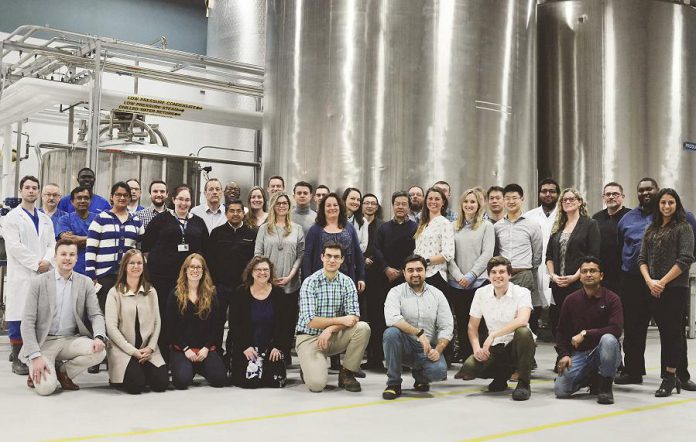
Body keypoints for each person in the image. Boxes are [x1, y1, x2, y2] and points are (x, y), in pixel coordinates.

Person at [19, 238, 106, 395]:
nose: (67, 258)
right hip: (43, 342)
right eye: (63, 254)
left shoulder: (85, 282)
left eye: (72, 254)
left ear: (77, 258)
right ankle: (39, 368)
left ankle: (63, 372)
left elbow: (96, 314)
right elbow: (27, 322)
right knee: (46, 389)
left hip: (69, 340)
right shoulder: (38, 283)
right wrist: (35, 356)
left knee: (99, 351)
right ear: (55, 257)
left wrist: (99, 336)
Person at [637, 188, 694, 397]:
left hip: (674, 288)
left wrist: (662, 282)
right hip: (653, 288)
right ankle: (673, 375)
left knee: (672, 334)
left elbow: (686, 258)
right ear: (658, 205)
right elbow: (641, 259)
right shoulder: (651, 229)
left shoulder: (683, 227)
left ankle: (670, 377)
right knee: (665, 334)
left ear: (676, 204)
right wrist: (650, 281)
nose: (667, 206)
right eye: (663, 203)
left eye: (671, 202)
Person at [142, 184, 208, 359]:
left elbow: (205, 249)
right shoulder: (160, 220)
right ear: (173, 200)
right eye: (180, 199)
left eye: (187, 200)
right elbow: (146, 247)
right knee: (165, 314)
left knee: (184, 315)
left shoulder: (198, 222)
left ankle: (183, 351)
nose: (184, 203)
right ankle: (163, 352)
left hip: (189, 280)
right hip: (163, 278)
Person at [457, 256, 536, 401]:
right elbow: (472, 327)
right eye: (493, 272)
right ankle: (501, 376)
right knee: (469, 367)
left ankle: (524, 384)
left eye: (502, 272)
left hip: (516, 345)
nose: (497, 276)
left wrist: (493, 335)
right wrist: (477, 350)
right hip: (495, 347)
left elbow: (523, 320)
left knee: (523, 332)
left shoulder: (522, 292)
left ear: (509, 275)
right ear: (488, 275)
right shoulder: (481, 293)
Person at [296, 242, 371, 392]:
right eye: (328, 256)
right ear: (322, 257)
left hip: (333, 336)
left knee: (363, 328)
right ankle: (307, 367)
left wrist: (330, 329)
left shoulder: (347, 282)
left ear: (342, 260)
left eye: (336, 257)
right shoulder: (310, 282)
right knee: (317, 385)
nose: (332, 260)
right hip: (309, 338)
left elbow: (353, 316)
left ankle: (347, 373)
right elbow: (310, 321)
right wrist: (339, 321)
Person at [4, 175, 56, 375]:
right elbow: (14, 246)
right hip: (23, 274)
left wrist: (47, 261)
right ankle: (17, 356)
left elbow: (52, 243)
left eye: (35, 187)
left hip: (43, 271)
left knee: (38, 314)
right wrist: (36, 263)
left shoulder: (45, 218)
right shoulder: (11, 218)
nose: (31, 191)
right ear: (20, 191)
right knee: (18, 314)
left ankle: (33, 352)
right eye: (27, 187)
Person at [381, 255, 453, 399]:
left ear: (425, 272)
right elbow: (392, 318)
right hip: (404, 345)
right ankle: (393, 384)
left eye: (419, 270)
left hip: (427, 349)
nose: (415, 274)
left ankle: (420, 377)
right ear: (404, 272)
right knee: (391, 333)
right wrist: (419, 334)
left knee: (438, 373)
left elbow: (447, 326)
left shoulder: (437, 294)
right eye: (410, 270)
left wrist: (438, 350)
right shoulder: (395, 292)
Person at [555, 257, 623, 405]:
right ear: (580, 276)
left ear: (601, 275)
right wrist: (564, 354)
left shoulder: (612, 299)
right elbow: (561, 332)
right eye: (584, 271)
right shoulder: (571, 300)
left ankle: (605, 387)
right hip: (581, 354)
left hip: (605, 351)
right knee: (561, 390)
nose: (588, 274)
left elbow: (616, 329)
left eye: (593, 271)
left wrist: (585, 333)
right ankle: (592, 378)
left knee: (608, 339)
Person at [105, 249, 168, 394]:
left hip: (147, 350)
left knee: (161, 384)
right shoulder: (114, 293)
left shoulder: (151, 291)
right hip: (124, 350)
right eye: (131, 263)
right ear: (125, 266)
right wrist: (133, 351)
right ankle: (132, 372)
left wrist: (151, 347)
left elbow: (157, 322)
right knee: (136, 386)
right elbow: (111, 328)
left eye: (139, 263)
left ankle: (141, 369)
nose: (136, 266)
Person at [254, 192, 305, 362]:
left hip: (290, 282)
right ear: (273, 206)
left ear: (289, 206)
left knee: (288, 319)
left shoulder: (297, 229)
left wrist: (291, 276)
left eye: (285, 203)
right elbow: (258, 255)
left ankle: (284, 352)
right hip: (267, 282)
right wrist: (267, 277)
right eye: (278, 203)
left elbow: (300, 255)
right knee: (270, 317)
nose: (282, 206)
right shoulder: (264, 228)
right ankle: (269, 351)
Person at [448, 188, 495, 365]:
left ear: (479, 204)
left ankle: (482, 360)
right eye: (466, 201)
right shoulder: (452, 226)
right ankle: (467, 362)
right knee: (461, 323)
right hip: (456, 282)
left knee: (479, 324)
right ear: (461, 204)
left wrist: (471, 275)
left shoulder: (486, 226)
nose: (469, 205)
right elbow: (448, 254)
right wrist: (459, 275)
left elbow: (487, 253)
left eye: (473, 202)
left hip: (479, 282)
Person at [167, 254, 227, 389]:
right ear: (185, 270)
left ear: (204, 271)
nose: (195, 270)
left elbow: (216, 325)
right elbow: (172, 327)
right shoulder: (175, 294)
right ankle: (188, 367)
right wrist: (186, 349)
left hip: (204, 350)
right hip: (183, 350)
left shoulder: (211, 294)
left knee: (220, 380)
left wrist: (206, 348)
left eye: (199, 267)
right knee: (182, 382)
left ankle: (198, 366)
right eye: (192, 267)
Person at [546, 188, 600, 337]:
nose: (568, 202)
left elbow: (592, 255)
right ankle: (564, 356)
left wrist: (576, 277)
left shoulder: (590, 224)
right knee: (562, 324)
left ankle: (580, 356)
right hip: (558, 284)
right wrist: (553, 276)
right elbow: (549, 256)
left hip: (579, 283)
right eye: (564, 200)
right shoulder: (558, 227)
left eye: (571, 199)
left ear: (580, 202)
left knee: (580, 322)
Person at [228, 257, 289, 388]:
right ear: (251, 272)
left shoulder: (279, 294)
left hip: (270, 348)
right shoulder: (240, 293)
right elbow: (234, 325)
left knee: (273, 382)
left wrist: (278, 346)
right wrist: (245, 346)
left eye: (266, 269)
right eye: (258, 270)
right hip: (248, 347)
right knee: (249, 383)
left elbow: (285, 325)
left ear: (270, 272)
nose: (262, 273)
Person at [85, 182, 145, 313]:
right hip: (104, 276)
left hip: (127, 276)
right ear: (111, 197)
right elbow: (90, 249)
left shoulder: (136, 221)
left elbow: (141, 248)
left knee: (124, 313)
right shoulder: (100, 219)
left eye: (126, 195)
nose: (122, 198)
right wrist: (91, 275)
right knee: (104, 311)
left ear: (130, 198)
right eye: (118, 194)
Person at [493, 184, 543, 332]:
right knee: (504, 315)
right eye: (507, 198)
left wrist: (526, 267)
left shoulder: (532, 225)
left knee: (522, 316)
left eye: (515, 198)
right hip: (502, 276)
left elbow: (537, 253)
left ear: (522, 200)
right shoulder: (497, 226)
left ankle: (525, 350)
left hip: (524, 274)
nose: (511, 201)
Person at [303, 193, 366, 291]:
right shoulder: (315, 229)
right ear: (323, 209)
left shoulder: (350, 228)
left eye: (335, 205)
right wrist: (308, 281)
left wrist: (361, 277)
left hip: (347, 279)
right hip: (320, 282)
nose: (332, 208)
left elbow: (358, 254)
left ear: (340, 207)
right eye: (328, 205)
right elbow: (307, 257)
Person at [523, 178, 560, 309]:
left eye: (552, 191)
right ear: (539, 194)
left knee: (557, 305)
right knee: (534, 304)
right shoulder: (528, 216)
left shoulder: (565, 216)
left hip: (557, 265)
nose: (548, 194)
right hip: (534, 266)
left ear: (558, 194)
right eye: (544, 191)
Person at [592, 182, 631, 294]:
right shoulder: (596, 218)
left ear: (622, 197)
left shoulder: (631, 216)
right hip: (602, 274)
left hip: (625, 273)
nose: (611, 197)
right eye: (608, 194)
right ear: (603, 197)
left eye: (615, 194)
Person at [55, 186, 97, 275]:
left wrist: (79, 238)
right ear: (72, 202)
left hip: (95, 268)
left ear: (90, 201)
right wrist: (95, 237)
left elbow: (104, 240)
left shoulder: (99, 219)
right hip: (72, 268)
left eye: (86, 198)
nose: (83, 201)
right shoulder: (65, 219)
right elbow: (70, 241)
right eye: (79, 198)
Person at [342, 187, 368, 253]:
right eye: (352, 199)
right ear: (345, 199)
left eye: (358, 200)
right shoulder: (336, 218)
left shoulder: (363, 221)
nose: (356, 202)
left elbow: (364, 247)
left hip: (355, 260)